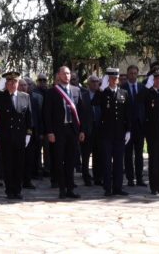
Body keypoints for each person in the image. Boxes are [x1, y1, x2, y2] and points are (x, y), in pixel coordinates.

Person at [0, 71, 32, 200]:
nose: (12, 84)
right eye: (10, 82)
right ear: (6, 84)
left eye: (15, 82)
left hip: (20, 136)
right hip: (6, 137)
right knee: (7, 165)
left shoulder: (25, 97)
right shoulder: (1, 96)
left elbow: (29, 117)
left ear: (18, 83)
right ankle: (9, 190)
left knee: (19, 164)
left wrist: (28, 134)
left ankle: (18, 189)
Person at [44, 66, 85, 199]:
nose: (67, 76)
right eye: (64, 73)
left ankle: (70, 189)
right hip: (58, 131)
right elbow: (47, 114)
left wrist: (82, 130)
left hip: (72, 130)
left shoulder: (76, 90)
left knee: (71, 160)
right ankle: (62, 188)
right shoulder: (52, 92)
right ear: (58, 75)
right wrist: (49, 132)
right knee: (58, 160)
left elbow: (81, 112)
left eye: (68, 73)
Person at [93, 68, 131, 197]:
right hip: (106, 134)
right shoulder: (103, 93)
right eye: (111, 78)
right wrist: (100, 89)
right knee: (107, 162)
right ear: (108, 79)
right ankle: (107, 188)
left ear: (118, 79)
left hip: (120, 133)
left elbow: (127, 113)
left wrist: (128, 130)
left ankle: (118, 187)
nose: (114, 80)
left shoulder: (124, 93)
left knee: (119, 162)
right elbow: (94, 102)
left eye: (116, 78)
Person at [121, 65, 147, 187]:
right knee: (128, 154)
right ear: (127, 74)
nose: (133, 75)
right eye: (130, 73)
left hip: (140, 126)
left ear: (137, 74)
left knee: (139, 153)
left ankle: (140, 178)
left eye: (135, 73)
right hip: (127, 127)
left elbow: (145, 107)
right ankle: (130, 178)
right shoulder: (122, 88)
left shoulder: (142, 88)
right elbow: (120, 107)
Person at [18, 79, 39, 189]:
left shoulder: (33, 99)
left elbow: (37, 116)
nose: (24, 87)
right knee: (19, 158)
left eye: (25, 85)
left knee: (29, 158)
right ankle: (18, 179)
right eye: (21, 85)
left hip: (30, 132)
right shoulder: (15, 98)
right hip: (18, 133)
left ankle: (27, 180)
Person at [82, 75, 103, 186]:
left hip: (99, 129)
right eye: (93, 81)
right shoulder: (83, 96)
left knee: (98, 154)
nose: (95, 83)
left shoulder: (101, 95)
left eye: (97, 81)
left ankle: (97, 177)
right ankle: (86, 177)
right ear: (88, 83)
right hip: (87, 129)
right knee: (85, 155)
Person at [24, 77, 44, 180]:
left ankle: (36, 172)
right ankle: (27, 174)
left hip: (35, 129)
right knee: (26, 153)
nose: (28, 86)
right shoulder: (21, 97)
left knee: (36, 152)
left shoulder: (37, 98)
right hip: (24, 130)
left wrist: (41, 131)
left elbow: (40, 116)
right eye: (25, 84)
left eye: (30, 84)